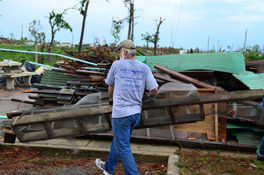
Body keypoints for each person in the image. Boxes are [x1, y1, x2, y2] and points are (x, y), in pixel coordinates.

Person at [95, 39, 158, 175]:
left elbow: (110, 85)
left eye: (120, 51)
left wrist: (111, 100)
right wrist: (147, 95)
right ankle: (108, 168)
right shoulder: (144, 67)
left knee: (123, 147)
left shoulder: (117, 65)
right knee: (119, 140)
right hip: (135, 114)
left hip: (121, 114)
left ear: (124, 52)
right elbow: (154, 89)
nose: (119, 54)